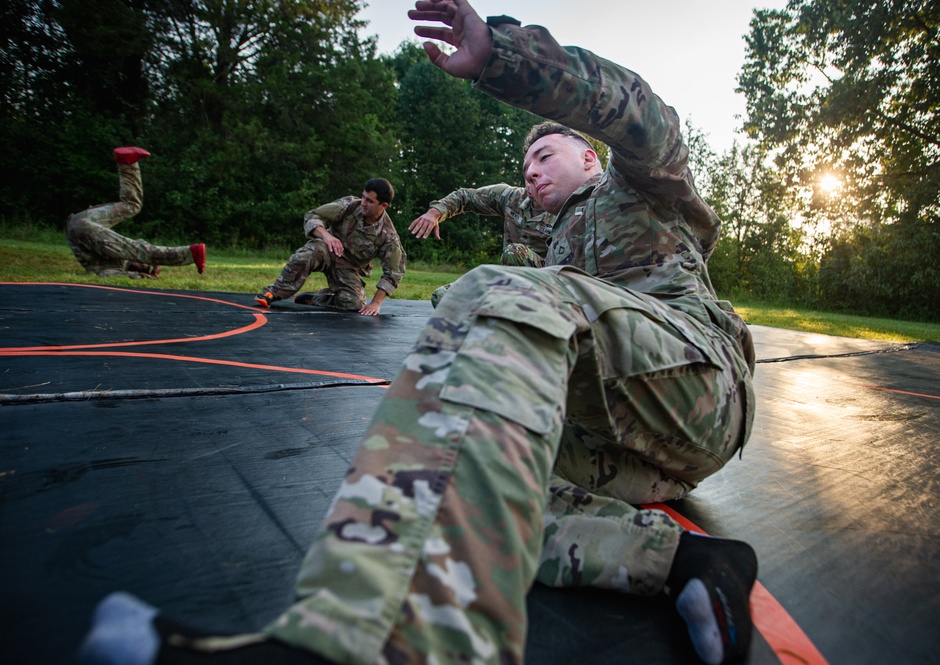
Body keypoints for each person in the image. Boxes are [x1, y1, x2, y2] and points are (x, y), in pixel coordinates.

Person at [78, 3, 758, 665]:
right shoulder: (544, 229)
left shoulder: (644, 186)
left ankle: (388, 642)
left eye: (545, 153)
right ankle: (689, 559)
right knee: (455, 468)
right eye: (525, 161)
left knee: (497, 292)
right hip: (627, 445)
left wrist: (502, 56)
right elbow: (484, 201)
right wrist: (443, 207)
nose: (531, 167)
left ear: (588, 156)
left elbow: (636, 107)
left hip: (700, 388)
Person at [253, 178, 406, 316]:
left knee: (353, 303)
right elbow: (312, 216)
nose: (363, 203)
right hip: (326, 250)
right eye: (363, 197)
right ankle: (273, 293)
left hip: (348, 268)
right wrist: (327, 236)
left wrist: (376, 303)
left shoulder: (388, 235)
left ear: (383, 205)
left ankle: (317, 298)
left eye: (370, 201)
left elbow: (393, 273)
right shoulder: (350, 205)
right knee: (307, 254)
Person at [65, 147, 206, 278]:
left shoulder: (113, 265)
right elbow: (140, 246)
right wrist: (153, 264)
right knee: (132, 206)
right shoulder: (124, 255)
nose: (143, 264)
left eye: (142, 265)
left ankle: (191, 253)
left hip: (80, 229)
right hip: (82, 220)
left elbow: (113, 271)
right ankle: (127, 162)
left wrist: (138, 276)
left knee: (141, 251)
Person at [410, 181, 551, 307]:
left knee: (515, 253)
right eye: (529, 170)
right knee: (442, 297)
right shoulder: (511, 197)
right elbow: (466, 196)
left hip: (548, 290)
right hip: (506, 283)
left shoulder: (567, 211)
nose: (533, 177)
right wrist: (436, 212)